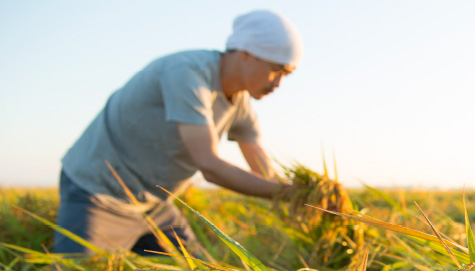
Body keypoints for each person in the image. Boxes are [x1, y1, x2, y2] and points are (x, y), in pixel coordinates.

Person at [53, 10, 302, 255]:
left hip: (155, 205)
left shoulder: (240, 104)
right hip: (98, 194)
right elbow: (210, 165)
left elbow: (264, 171)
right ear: (246, 53)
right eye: (276, 69)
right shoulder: (187, 73)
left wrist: (299, 196)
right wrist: (287, 194)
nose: (278, 83)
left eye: (286, 74)